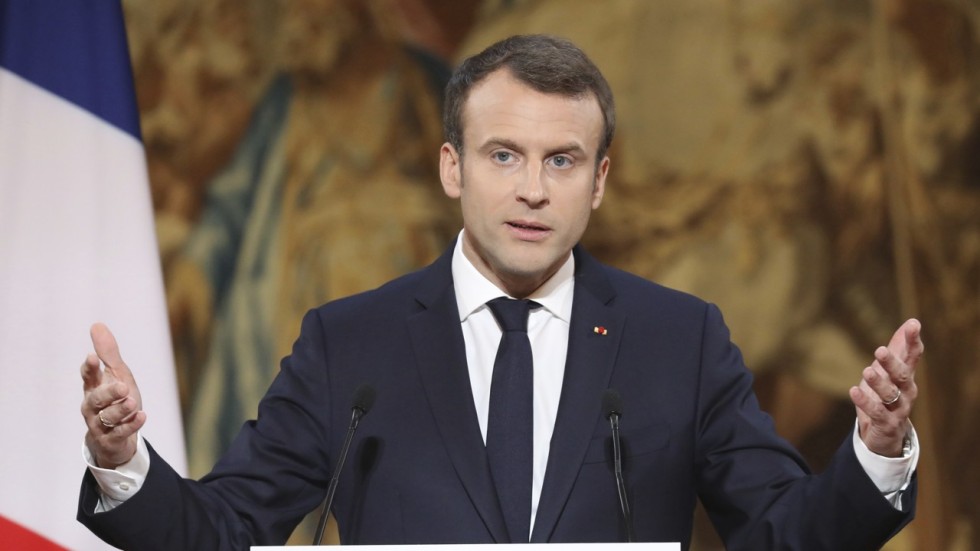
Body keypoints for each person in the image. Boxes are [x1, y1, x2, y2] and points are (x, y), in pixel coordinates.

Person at [78, 34, 922, 550]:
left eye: (562, 161)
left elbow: (784, 533)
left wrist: (877, 451)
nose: (533, 190)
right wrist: (122, 464)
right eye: (504, 155)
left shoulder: (680, 340)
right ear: (453, 167)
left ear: (599, 182)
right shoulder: (351, 343)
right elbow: (223, 530)